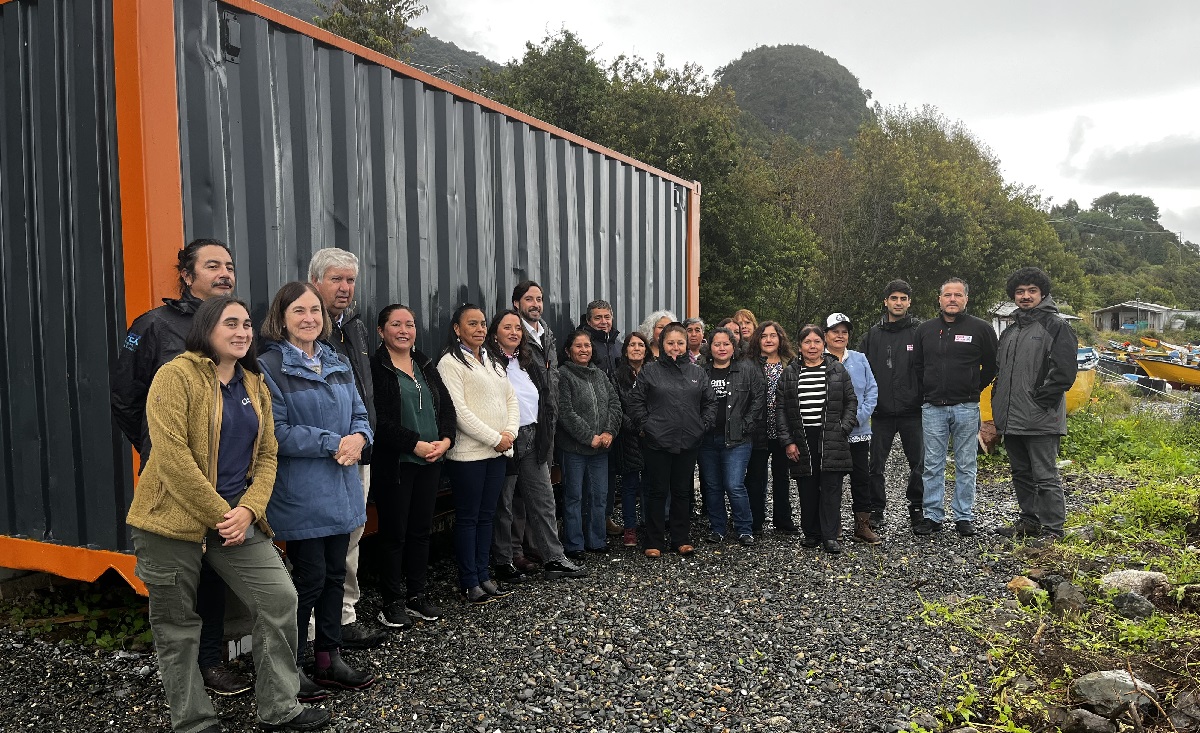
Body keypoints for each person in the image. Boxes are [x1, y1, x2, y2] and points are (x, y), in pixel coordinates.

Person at [126, 295, 329, 733]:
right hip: (169, 522)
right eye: (230, 323)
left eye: (247, 325)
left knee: (279, 599)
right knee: (177, 626)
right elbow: (171, 457)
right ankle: (194, 720)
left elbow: (268, 456)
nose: (242, 332)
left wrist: (250, 509)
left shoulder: (254, 382)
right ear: (207, 328)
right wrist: (224, 513)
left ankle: (279, 707)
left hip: (236, 521)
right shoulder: (174, 376)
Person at [111, 238, 248, 697]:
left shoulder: (239, 327)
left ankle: (210, 661)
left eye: (228, 265)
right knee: (177, 579)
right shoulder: (153, 326)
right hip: (175, 481)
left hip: (227, 479)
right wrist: (155, 450)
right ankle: (182, 677)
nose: (224, 273)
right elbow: (126, 397)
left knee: (212, 574)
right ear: (187, 277)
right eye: (212, 266)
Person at [258, 282, 375, 694]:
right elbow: (277, 434)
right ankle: (291, 668)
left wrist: (360, 439)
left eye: (314, 310)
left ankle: (329, 658)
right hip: (302, 493)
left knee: (334, 575)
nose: (309, 318)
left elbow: (360, 413)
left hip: (341, 487)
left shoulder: (336, 359)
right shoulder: (269, 366)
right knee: (307, 580)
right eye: (298, 312)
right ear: (282, 318)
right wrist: (334, 443)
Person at [307, 248, 386, 650]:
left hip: (360, 450)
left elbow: (362, 392)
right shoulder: (303, 325)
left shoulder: (352, 326)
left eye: (350, 280)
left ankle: (343, 616)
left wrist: (364, 437)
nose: (345, 288)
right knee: (319, 543)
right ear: (316, 280)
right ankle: (313, 630)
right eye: (336, 279)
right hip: (322, 458)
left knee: (352, 537)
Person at [370, 304, 456, 629]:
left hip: (431, 460)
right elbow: (378, 418)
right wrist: (413, 443)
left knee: (421, 531)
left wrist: (446, 440)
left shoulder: (424, 364)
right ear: (382, 331)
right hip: (398, 462)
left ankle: (417, 595)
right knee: (394, 534)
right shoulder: (377, 368)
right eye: (396, 324)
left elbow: (446, 406)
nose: (404, 330)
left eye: (410, 324)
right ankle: (391, 601)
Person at [487, 311, 589, 582]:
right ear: (495, 332)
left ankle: (554, 558)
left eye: (517, 328)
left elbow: (543, 396)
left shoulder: (525, 360)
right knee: (504, 503)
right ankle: (504, 561)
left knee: (543, 499)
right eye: (506, 327)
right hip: (506, 439)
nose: (513, 332)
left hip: (534, 435)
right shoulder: (488, 361)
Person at [437, 304, 520, 604]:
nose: (480, 329)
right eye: (472, 323)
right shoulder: (450, 363)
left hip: (498, 453)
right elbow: (458, 412)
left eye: (483, 323)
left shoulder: (493, 361)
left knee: (487, 517)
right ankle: (469, 580)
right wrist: (495, 438)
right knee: (468, 518)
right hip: (469, 456)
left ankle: (484, 576)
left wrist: (510, 434)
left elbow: (511, 399)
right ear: (457, 329)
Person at [991, 267, 1078, 541]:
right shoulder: (1011, 330)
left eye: (1031, 291)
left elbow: (1064, 372)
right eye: (1020, 292)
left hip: (1040, 417)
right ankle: (1030, 520)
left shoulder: (1057, 326)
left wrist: (1041, 401)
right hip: (1011, 416)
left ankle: (1053, 529)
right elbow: (1001, 371)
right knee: (1021, 472)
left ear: (1042, 294)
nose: (1025, 296)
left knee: (1045, 475)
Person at [912, 278, 998, 537]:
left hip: (966, 407)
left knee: (966, 463)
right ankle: (933, 516)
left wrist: (974, 389)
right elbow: (917, 366)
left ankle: (963, 516)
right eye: (947, 294)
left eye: (957, 295)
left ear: (965, 299)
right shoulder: (924, 330)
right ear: (939, 300)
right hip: (933, 407)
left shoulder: (981, 329)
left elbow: (992, 366)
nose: (952, 299)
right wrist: (926, 392)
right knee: (933, 464)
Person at [628, 322, 716, 557]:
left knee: (682, 492)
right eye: (670, 343)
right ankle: (654, 541)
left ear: (686, 344)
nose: (675, 347)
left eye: (680, 342)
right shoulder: (650, 371)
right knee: (656, 492)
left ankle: (681, 538)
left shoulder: (697, 372)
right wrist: (646, 427)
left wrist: (702, 426)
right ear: (661, 344)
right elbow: (635, 402)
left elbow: (710, 403)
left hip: (688, 441)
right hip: (657, 442)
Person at [776, 324, 858, 554]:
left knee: (831, 489)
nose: (812, 346)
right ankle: (811, 533)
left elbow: (851, 401)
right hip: (802, 438)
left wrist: (843, 428)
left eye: (816, 342)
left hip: (832, 436)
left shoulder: (837, 370)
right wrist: (788, 441)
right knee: (807, 488)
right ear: (799, 346)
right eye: (807, 342)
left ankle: (830, 536)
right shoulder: (790, 373)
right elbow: (781, 409)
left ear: (823, 344)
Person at [858, 279, 925, 528]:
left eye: (903, 298)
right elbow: (861, 372)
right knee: (875, 465)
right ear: (885, 301)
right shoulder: (873, 335)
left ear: (909, 302)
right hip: (881, 412)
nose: (899, 303)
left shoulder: (919, 332)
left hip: (913, 411)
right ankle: (876, 509)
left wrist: (922, 396)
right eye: (894, 298)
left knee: (918, 463)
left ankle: (917, 508)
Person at [699, 327, 764, 546]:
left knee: (734, 485)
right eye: (717, 344)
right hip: (707, 439)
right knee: (712, 486)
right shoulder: (701, 371)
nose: (721, 348)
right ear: (710, 347)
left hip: (738, 439)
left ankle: (744, 529)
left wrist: (746, 425)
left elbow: (758, 400)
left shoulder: (746, 369)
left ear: (733, 346)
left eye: (726, 343)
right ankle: (717, 529)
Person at [824, 313, 880, 545]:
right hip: (830, 432)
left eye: (844, 332)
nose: (840, 335)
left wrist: (856, 418)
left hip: (858, 431)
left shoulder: (860, 359)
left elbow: (871, 391)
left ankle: (862, 525)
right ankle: (832, 524)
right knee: (831, 479)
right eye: (835, 331)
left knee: (861, 478)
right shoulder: (818, 359)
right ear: (825, 334)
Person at [744, 321, 797, 535]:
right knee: (755, 477)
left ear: (780, 339)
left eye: (773, 335)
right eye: (764, 336)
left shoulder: (791, 364)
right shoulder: (750, 364)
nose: (768, 340)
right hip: (757, 430)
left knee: (782, 476)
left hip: (783, 430)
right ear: (757, 339)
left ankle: (782, 520)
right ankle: (755, 521)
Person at [612, 332, 651, 547]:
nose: (636, 348)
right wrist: (636, 428)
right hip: (627, 439)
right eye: (632, 345)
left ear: (646, 349)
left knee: (649, 484)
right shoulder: (617, 377)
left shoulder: (655, 373)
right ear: (625, 350)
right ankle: (629, 529)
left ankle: (648, 526)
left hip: (652, 436)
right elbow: (617, 407)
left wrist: (649, 427)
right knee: (629, 486)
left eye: (640, 345)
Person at [513, 280, 558, 372]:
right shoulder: (514, 335)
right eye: (529, 299)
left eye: (539, 299)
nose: (535, 304)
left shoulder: (547, 335)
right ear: (516, 303)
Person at [580, 299, 622, 377]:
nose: (603, 322)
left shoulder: (619, 345)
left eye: (607, 317)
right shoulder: (582, 345)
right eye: (598, 318)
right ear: (588, 321)